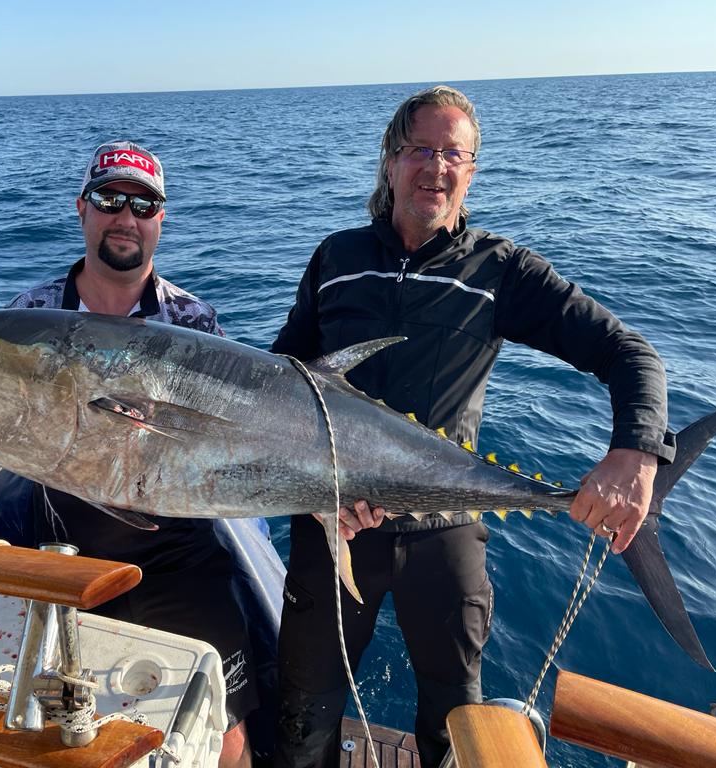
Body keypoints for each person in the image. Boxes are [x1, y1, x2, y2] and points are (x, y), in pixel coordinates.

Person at [269, 86, 676, 767]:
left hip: (445, 531)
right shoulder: (335, 258)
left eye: (455, 153)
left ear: (472, 171)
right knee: (301, 718)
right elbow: (282, 383)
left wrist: (637, 451)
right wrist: (307, 492)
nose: (437, 167)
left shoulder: (500, 271)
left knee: (455, 721)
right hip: (332, 522)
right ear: (390, 162)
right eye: (420, 150)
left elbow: (628, 352)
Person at [0, 141, 257, 768]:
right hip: (57, 539)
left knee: (222, 720)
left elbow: (231, 446)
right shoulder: (32, 314)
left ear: (160, 219)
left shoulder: (192, 321)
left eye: (143, 203)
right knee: (55, 717)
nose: (126, 216)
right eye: (109, 198)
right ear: (82, 209)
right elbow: (6, 441)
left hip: (176, 542)